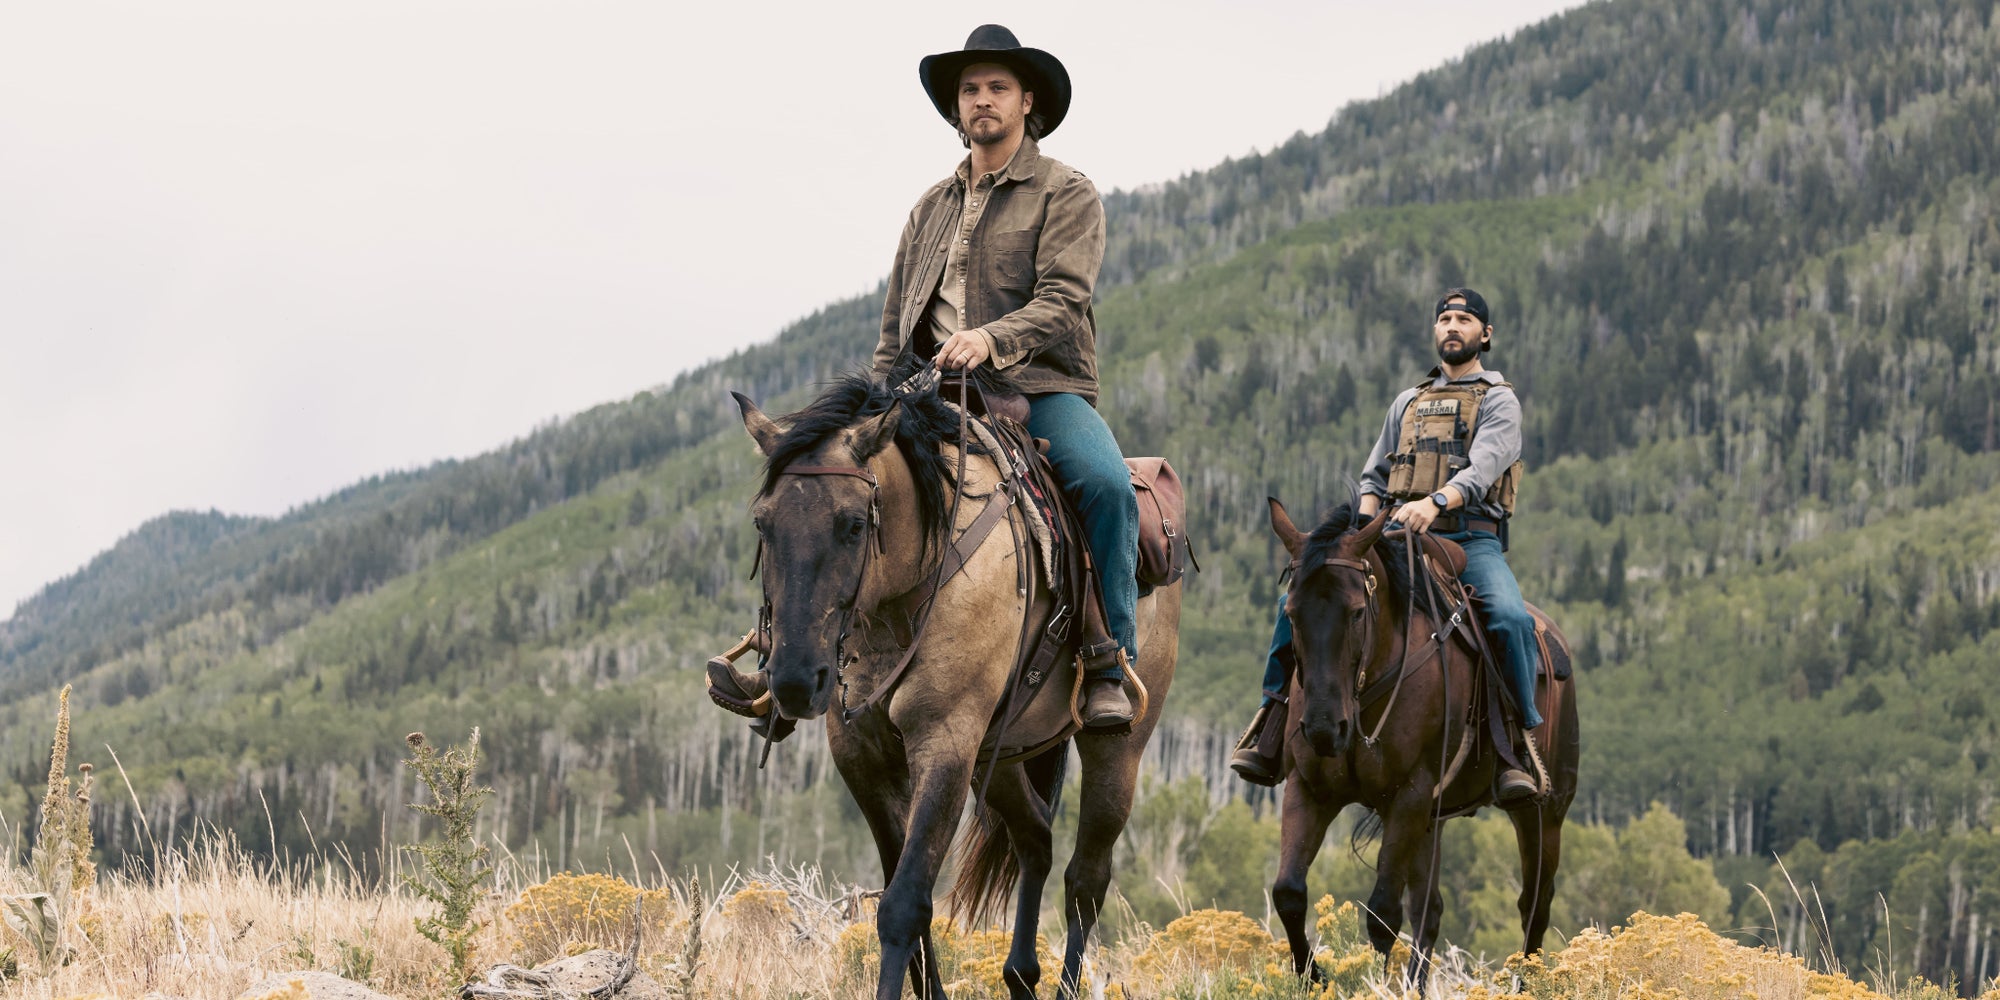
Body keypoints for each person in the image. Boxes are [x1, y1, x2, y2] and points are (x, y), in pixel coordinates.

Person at [710, 25, 1139, 728]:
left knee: (1107, 485)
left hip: (1037, 390)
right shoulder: (929, 208)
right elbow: (894, 325)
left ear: (1028, 101)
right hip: (926, 394)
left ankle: (1106, 659)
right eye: (970, 90)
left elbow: (1063, 303)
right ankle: (785, 661)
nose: (982, 101)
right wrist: (873, 402)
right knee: (817, 489)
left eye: (997, 87)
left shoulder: (1066, 193)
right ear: (957, 107)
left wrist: (989, 339)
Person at [1230, 288, 1540, 800]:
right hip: (1394, 537)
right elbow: (1374, 476)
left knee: (1509, 618)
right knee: (1304, 601)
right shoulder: (1408, 402)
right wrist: (1360, 533)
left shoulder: (1499, 400)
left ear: (1485, 335)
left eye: (1464, 319)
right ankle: (1270, 721)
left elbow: (1486, 465)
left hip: (1470, 538)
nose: (1452, 326)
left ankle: (1518, 744)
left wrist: (1437, 502)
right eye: (1444, 318)